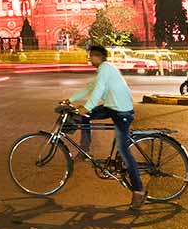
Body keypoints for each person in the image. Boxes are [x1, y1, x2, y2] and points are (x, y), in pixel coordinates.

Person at [62, 44, 146, 211]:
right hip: (112, 107)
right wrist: (70, 100)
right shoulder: (104, 70)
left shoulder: (105, 68)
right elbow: (90, 88)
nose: (89, 59)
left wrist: (87, 106)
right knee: (83, 116)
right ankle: (85, 148)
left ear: (98, 56)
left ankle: (138, 190)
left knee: (124, 151)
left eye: (91, 56)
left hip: (121, 111)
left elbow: (98, 90)